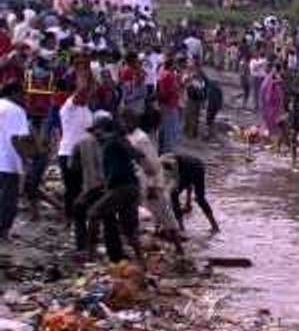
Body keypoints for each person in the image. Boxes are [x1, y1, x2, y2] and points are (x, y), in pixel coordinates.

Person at [87, 115, 149, 263]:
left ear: (101, 129)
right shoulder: (113, 141)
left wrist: (134, 155)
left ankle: (90, 255)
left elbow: (135, 153)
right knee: (129, 229)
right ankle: (141, 260)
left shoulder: (113, 140)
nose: (94, 135)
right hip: (131, 188)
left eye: (95, 131)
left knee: (93, 213)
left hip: (122, 187)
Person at [121, 110, 183, 255]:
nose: (123, 124)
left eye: (126, 122)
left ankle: (178, 248)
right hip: (138, 182)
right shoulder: (130, 137)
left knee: (164, 214)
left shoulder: (140, 138)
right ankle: (137, 248)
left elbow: (152, 165)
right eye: (122, 122)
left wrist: (152, 185)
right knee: (134, 214)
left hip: (149, 183)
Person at [0, 81, 32, 241]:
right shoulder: (17, 111)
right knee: (8, 199)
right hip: (8, 162)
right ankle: (3, 232)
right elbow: (17, 139)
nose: (24, 97)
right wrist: (25, 161)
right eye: (22, 93)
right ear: (14, 93)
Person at [162, 153, 221, 234]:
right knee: (200, 197)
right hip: (197, 164)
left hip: (193, 167)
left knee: (174, 195)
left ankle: (181, 227)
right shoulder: (162, 163)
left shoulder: (166, 163)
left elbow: (175, 181)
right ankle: (214, 226)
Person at [57, 88, 92, 221]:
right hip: (68, 152)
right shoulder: (68, 108)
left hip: (83, 153)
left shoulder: (87, 110)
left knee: (80, 187)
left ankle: (78, 217)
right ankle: (69, 217)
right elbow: (79, 93)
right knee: (71, 188)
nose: (86, 97)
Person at [156, 56, 182, 154]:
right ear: (171, 65)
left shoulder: (163, 73)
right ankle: (167, 151)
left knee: (163, 127)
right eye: (174, 64)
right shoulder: (169, 75)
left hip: (165, 104)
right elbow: (171, 90)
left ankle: (162, 149)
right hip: (169, 105)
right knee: (170, 129)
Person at [259, 66, 285, 140]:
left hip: (272, 102)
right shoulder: (270, 80)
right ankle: (270, 132)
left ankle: (272, 132)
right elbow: (270, 86)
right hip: (269, 102)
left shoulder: (271, 79)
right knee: (270, 117)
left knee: (273, 117)